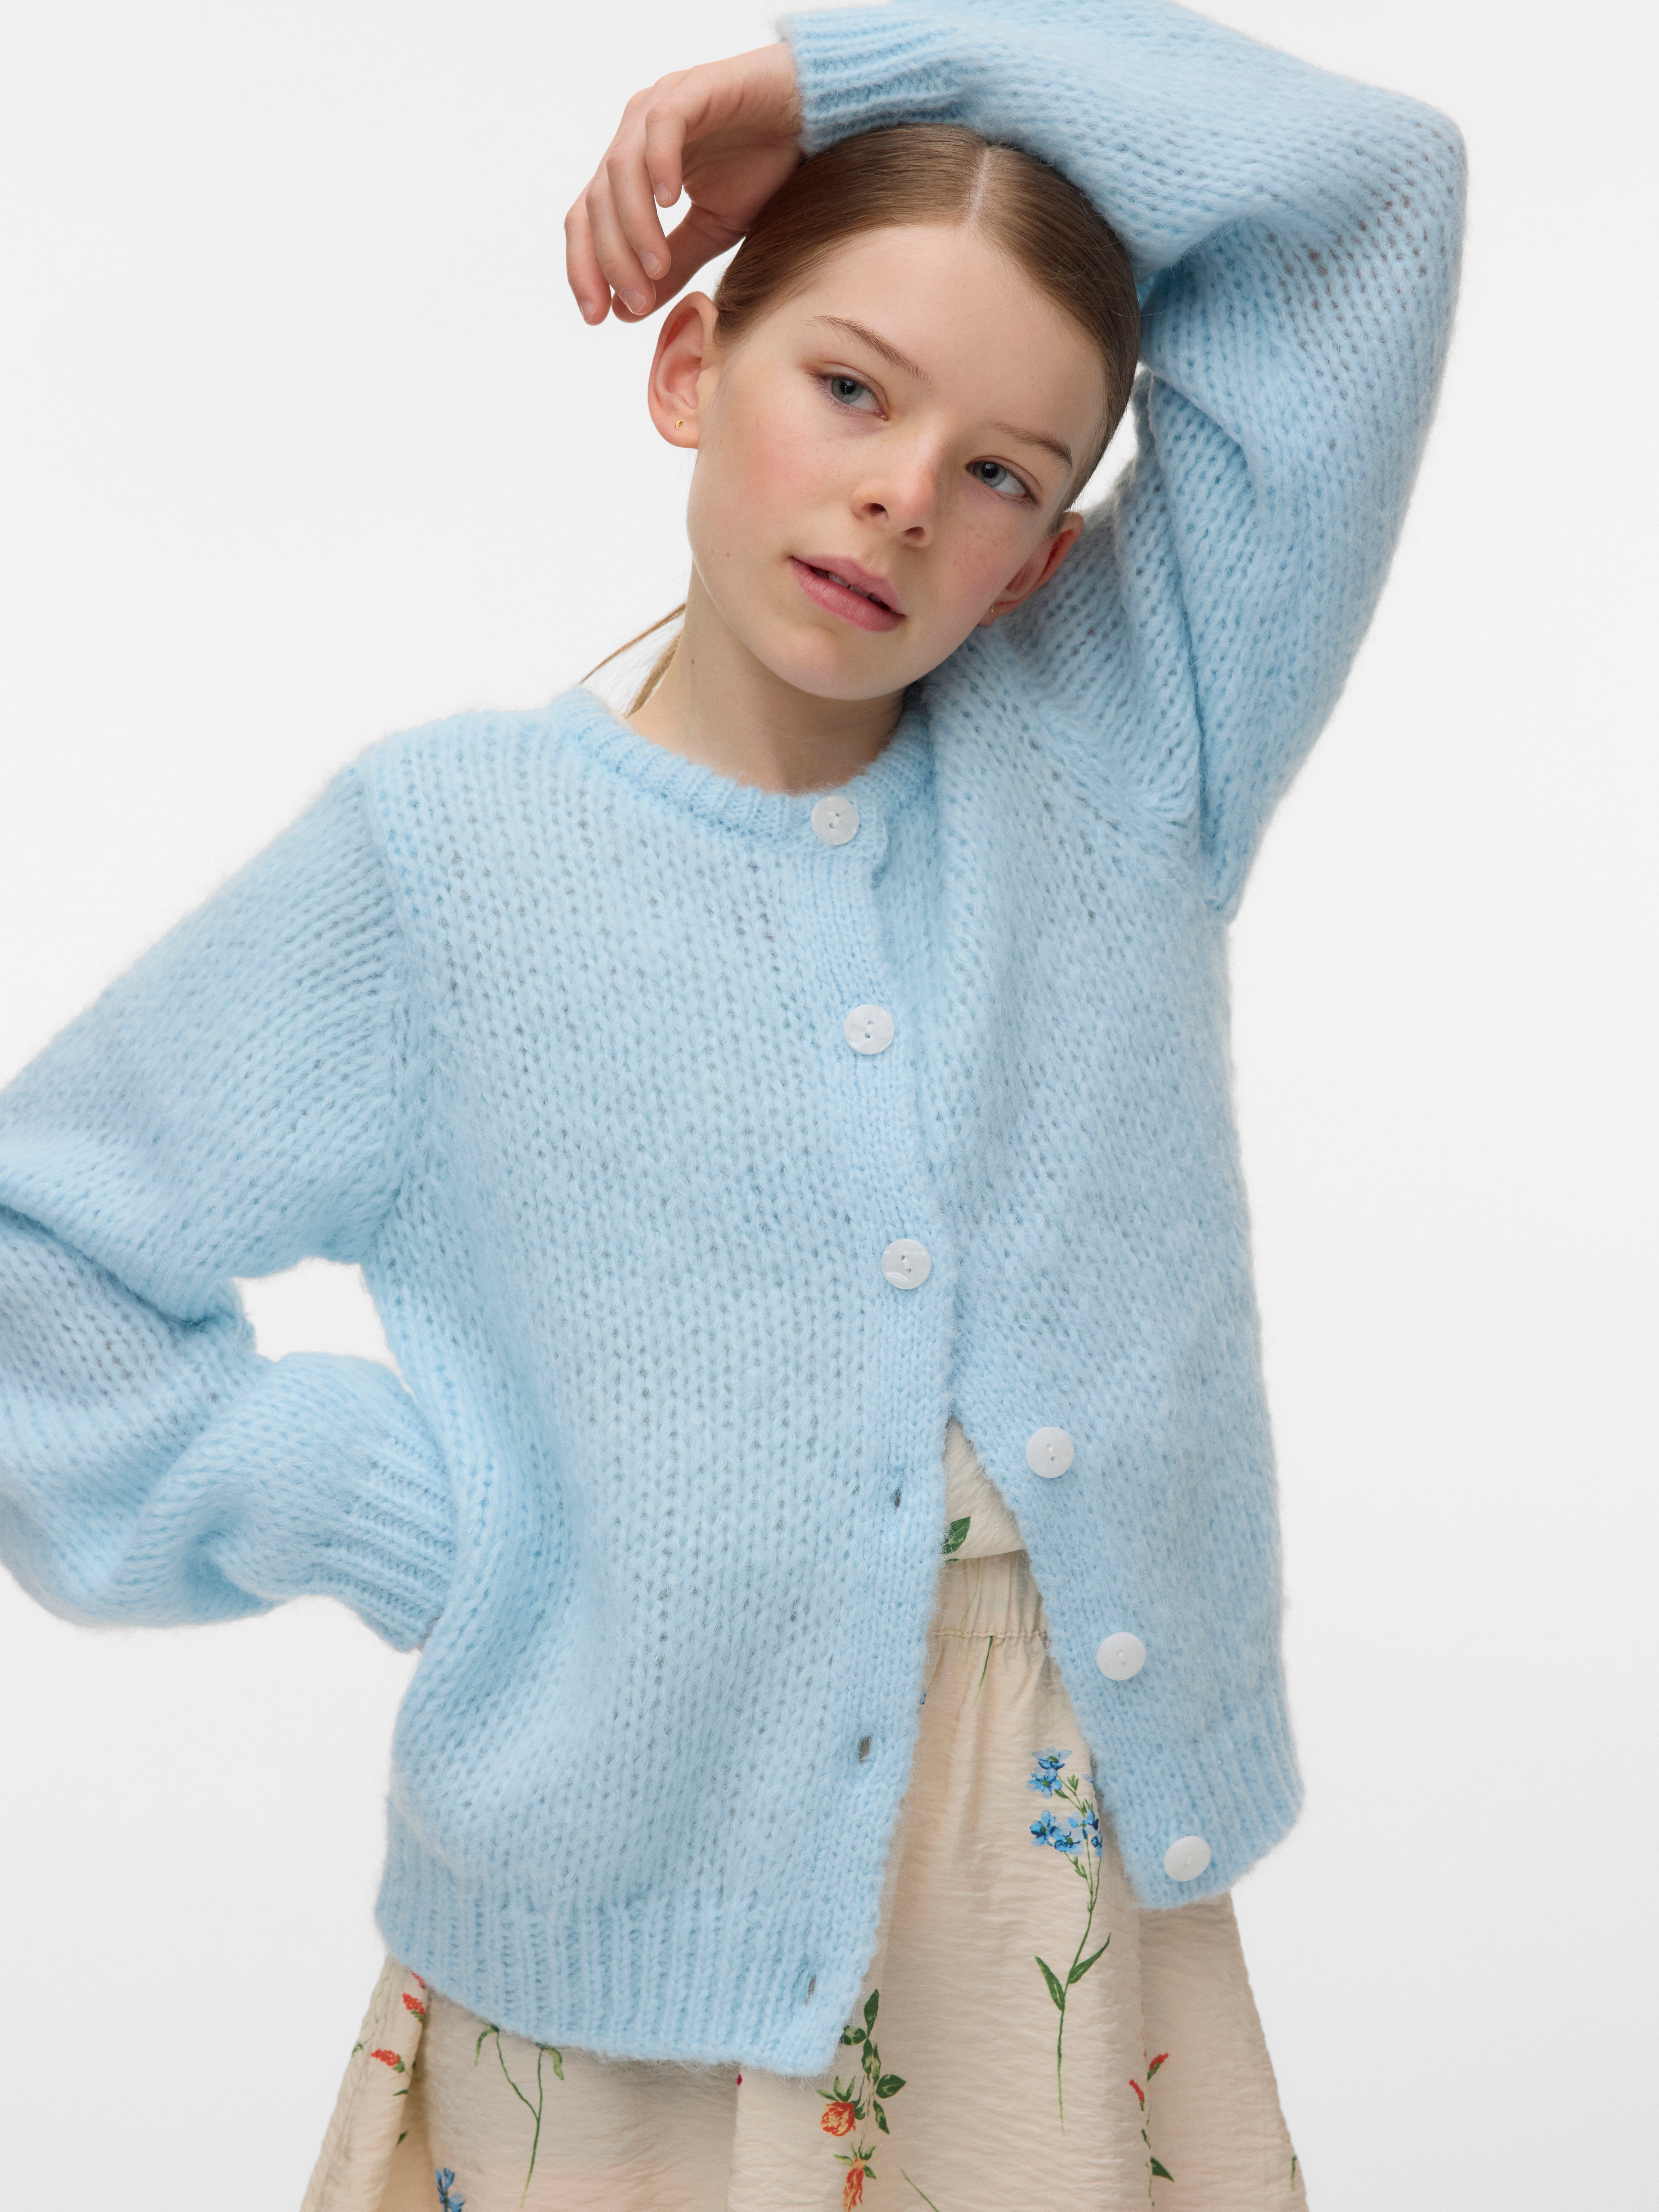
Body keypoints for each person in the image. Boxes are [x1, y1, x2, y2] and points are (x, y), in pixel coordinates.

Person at [0, 2, 1465, 2206]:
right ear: (692, 364)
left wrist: (822, 82)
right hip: (614, 1917)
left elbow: (1372, 195)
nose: (904, 493)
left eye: (1004, 472)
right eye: (850, 388)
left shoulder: (1124, 731)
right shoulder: (443, 861)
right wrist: (402, 1510)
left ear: (1044, 556)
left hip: (1045, 1882)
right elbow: (41, 1245)